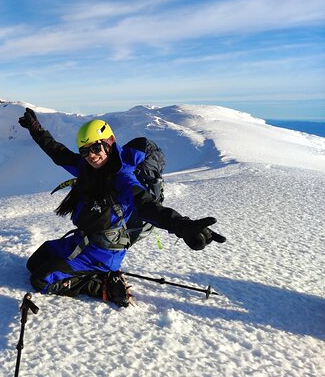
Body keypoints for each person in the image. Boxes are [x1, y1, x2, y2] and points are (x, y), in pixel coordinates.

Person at [18, 108, 226, 307]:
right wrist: (36, 130)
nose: (91, 155)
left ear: (110, 142)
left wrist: (182, 226)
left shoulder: (122, 179)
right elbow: (59, 153)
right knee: (34, 262)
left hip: (102, 253)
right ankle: (89, 272)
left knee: (41, 280)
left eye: (95, 147)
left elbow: (147, 206)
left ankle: (102, 284)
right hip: (82, 241)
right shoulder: (87, 168)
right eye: (85, 150)